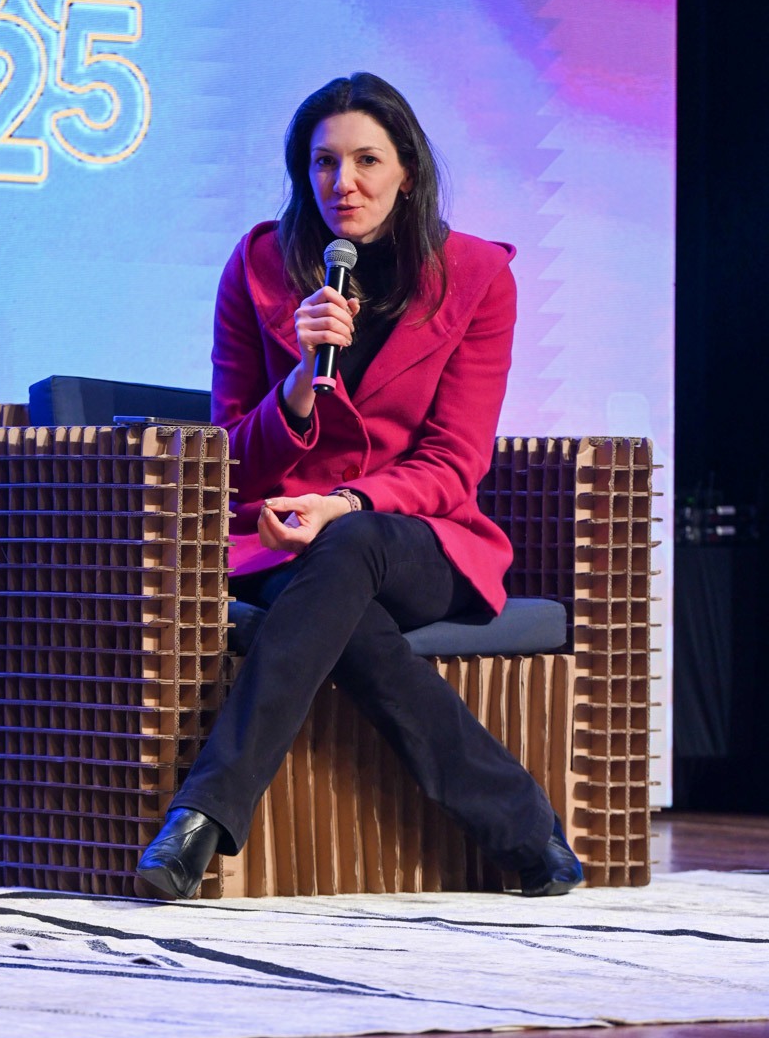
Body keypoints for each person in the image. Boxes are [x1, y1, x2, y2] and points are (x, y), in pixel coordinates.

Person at [137, 72, 582, 900]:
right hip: (280, 542)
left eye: (367, 160)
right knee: (354, 622)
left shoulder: (477, 276)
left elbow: (453, 461)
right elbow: (227, 456)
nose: (344, 183)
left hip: (419, 539)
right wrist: (299, 384)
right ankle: (526, 830)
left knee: (352, 541)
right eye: (324, 163)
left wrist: (345, 504)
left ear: (406, 170)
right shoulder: (260, 266)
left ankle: (202, 812)